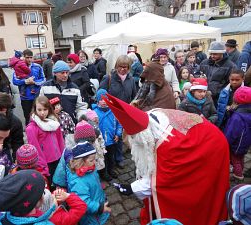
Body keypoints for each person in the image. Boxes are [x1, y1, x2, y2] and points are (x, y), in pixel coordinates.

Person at [103, 94, 229, 225]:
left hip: (213, 146)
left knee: (202, 189)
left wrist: (132, 188)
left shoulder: (166, 146)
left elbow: (162, 181)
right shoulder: (153, 116)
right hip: (202, 138)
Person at [0, 169, 87, 225]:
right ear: (39, 200)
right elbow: (81, 207)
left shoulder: (3, 219)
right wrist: (67, 196)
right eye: (42, 192)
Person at [99, 55, 137, 168]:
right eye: (120, 66)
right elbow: (101, 94)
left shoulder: (131, 79)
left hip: (125, 112)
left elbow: (134, 95)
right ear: (116, 66)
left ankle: (119, 158)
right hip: (111, 112)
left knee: (120, 135)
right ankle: (111, 159)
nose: (123, 69)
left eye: (125, 67)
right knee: (112, 136)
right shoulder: (109, 78)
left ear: (129, 67)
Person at [68, 142, 111, 224]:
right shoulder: (78, 182)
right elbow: (83, 203)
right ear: (81, 162)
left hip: (98, 204)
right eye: (91, 160)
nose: (94, 162)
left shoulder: (90, 169)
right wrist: (100, 208)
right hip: (92, 217)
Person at [26, 96, 64, 183]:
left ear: (49, 109)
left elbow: (60, 141)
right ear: (35, 109)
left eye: (45, 109)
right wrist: (43, 167)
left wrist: (63, 158)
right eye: (39, 110)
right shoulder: (31, 128)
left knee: (59, 184)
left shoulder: (54, 123)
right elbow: (35, 149)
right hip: (46, 163)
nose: (42, 113)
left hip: (57, 159)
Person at [92, 89, 122, 179]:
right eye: (101, 100)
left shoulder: (113, 111)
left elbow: (119, 124)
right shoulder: (94, 112)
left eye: (105, 99)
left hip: (111, 139)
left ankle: (111, 170)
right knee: (102, 157)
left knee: (111, 156)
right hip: (100, 141)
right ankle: (103, 173)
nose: (103, 102)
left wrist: (118, 134)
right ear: (97, 101)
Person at [224, 86, 251, 182]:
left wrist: (225, 142)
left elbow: (231, 132)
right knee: (241, 158)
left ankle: (238, 176)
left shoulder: (237, 117)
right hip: (245, 142)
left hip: (236, 144)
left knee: (235, 160)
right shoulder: (248, 112)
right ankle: (241, 171)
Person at [12, 49, 45, 125]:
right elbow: (14, 81)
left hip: (37, 96)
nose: (29, 59)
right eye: (27, 57)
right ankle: (29, 133)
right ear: (23, 57)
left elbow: (43, 79)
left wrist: (35, 82)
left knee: (39, 116)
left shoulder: (38, 67)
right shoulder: (18, 66)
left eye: (31, 57)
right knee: (28, 117)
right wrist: (25, 81)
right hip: (25, 97)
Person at [0, 93, 24, 163]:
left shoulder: (15, 123)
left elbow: (17, 143)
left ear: (4, 110)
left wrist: (17, 160)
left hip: (3, 150)